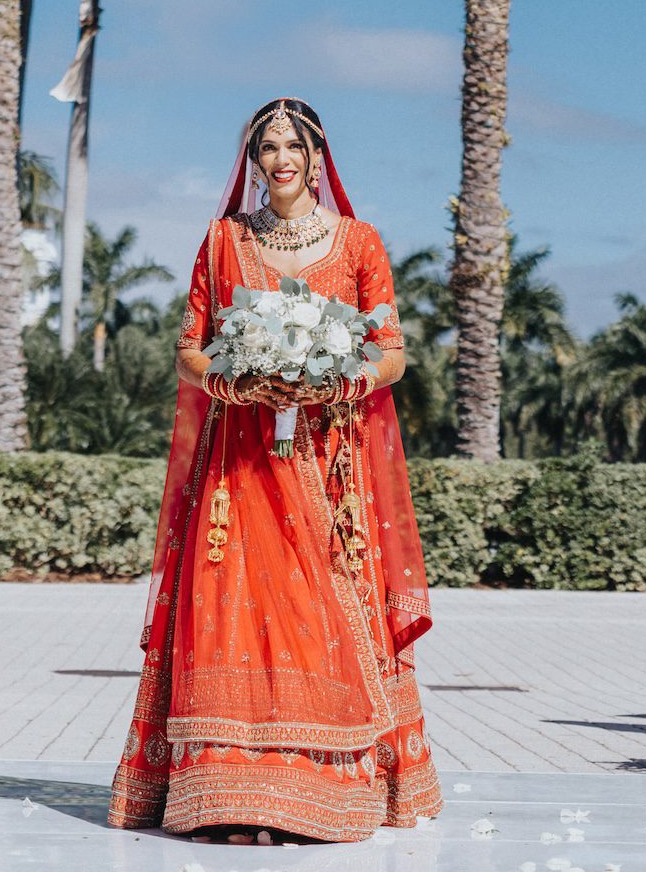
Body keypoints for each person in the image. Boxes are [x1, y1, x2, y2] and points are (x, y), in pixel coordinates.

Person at [111, 96, 441, 843]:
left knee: (315, 614)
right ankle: (227, 795)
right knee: (227, 609)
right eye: (267, 147)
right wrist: (239, 381)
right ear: (253, 160)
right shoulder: (223, 241)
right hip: (239, 464)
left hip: (329, 464)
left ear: (317, 155)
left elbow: (391, 353)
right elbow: (189, 348)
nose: (280, 158)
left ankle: (315, 791)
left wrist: (332, 380)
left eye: (293, 145)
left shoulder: (359, 243)